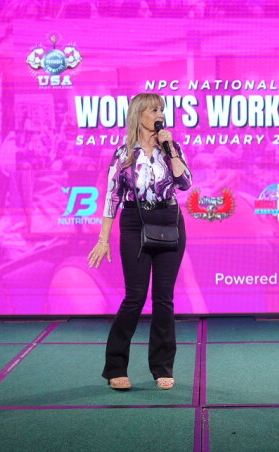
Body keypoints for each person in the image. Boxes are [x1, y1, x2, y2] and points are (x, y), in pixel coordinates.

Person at [87, 93, 192, 391]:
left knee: (164, 299)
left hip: (169, 221)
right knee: (135, 297)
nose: (159, 114)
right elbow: (112, 198)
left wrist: (171, 150)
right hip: (135, 223)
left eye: (161, 110)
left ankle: (162, 367)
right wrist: (103, 239)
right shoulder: (123, 154)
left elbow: (185, 183)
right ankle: (115, 368)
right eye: (153, 110)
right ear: (139, 115)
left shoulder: (171, 148)